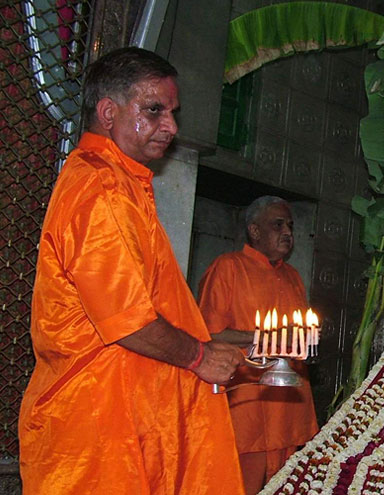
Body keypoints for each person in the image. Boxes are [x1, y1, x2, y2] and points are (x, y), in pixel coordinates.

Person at [19, 47, 245, 494]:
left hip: (122, 423)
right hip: (95, 432)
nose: (172, 127)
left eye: (172, 113)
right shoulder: (99, 187)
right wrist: (201, 357)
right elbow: (128, 322)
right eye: (154, 110)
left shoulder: (122, 183)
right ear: (108, 112)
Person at [197, 196, 320, 494]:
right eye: (278, 225)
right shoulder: (228, 267)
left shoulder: (292, 277)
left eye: (290, 225)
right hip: (248, 405)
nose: (287, 232)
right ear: (254, 231)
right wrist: (261, 337)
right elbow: (208, 334)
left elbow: (298, 337)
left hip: (290, 408)